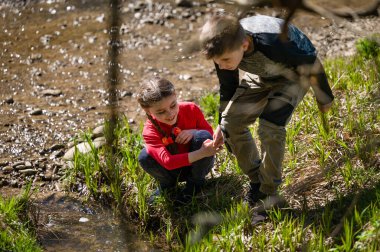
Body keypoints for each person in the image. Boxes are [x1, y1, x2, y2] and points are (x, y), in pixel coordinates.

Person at [198, 14, 334, 205]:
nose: (222, 66)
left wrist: (324, 97)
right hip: (261, 76)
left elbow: (310, 61)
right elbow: (228, 86)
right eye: (218, 62)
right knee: (231, 123)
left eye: (225, 60)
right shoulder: (223, 49)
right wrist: (221, 121)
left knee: (270, 125)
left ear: (244, 45)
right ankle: (257, 181)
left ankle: (268, 190)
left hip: (293, 76)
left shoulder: (275, 43)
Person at [137, 77, 219, 204]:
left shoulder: (191, 109)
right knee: (144, 156)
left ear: (175, 95)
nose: (170, 114)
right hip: (172, 171)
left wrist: (194, 132)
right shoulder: (150, 131)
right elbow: (168, 162)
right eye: (160, 112)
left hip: (197, 166)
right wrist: (203, 152)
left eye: (173, 105)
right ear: (148, 111)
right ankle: (167, 186)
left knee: (203, 135)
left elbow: (211, 135)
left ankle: (195, 184)